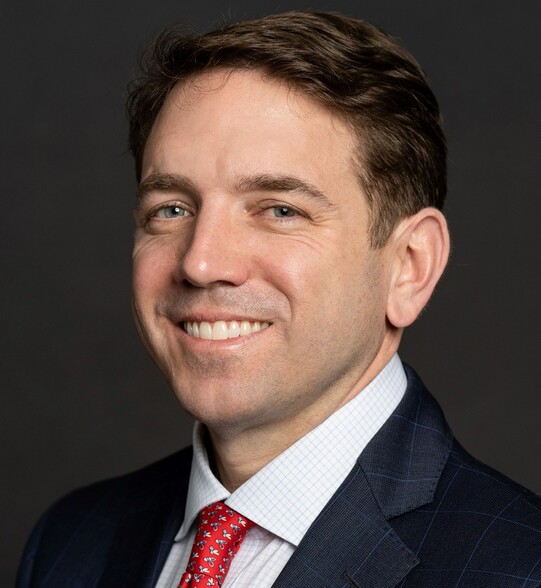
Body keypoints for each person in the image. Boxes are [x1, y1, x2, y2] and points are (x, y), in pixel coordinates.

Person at [17, 10, 541, 588]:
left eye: (280, 210)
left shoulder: (520, 567)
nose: (201, 263)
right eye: (171, 209)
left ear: (410, 267)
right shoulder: (71, 544)